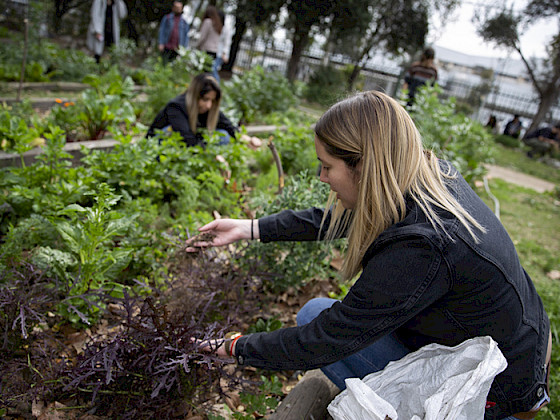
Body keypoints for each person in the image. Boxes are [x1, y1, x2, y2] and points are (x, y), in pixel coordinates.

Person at [191, 91, 551, 420]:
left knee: (317, 321)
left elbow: (327, 338)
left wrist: (235, 347)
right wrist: (250, 228)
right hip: (519, 348)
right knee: (312, 312)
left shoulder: (421, 247)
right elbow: (343, 218)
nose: (321, 177)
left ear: (363, 166)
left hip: (494, 392)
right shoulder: (430, 177)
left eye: (327, 166)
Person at [147, 73, 261, 148]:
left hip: (189, 145)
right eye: (205, 99)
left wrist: (246, 139)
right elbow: (186, 138)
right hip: (158, 146)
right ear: (195, 96)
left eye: (212, 101)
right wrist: (213, 156)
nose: (209, 105)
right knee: (169, 132)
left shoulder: (207, 109)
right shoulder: (176, 107)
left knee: (223, 136)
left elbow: (228, 126)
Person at [212, 9, 231, 83]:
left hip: (220, 54)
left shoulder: (226, 29)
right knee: (211, 69)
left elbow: (227, 42)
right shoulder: (214, 27)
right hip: (214, 51)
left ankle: (217, 85)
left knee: (213, 69)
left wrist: (225, 54)